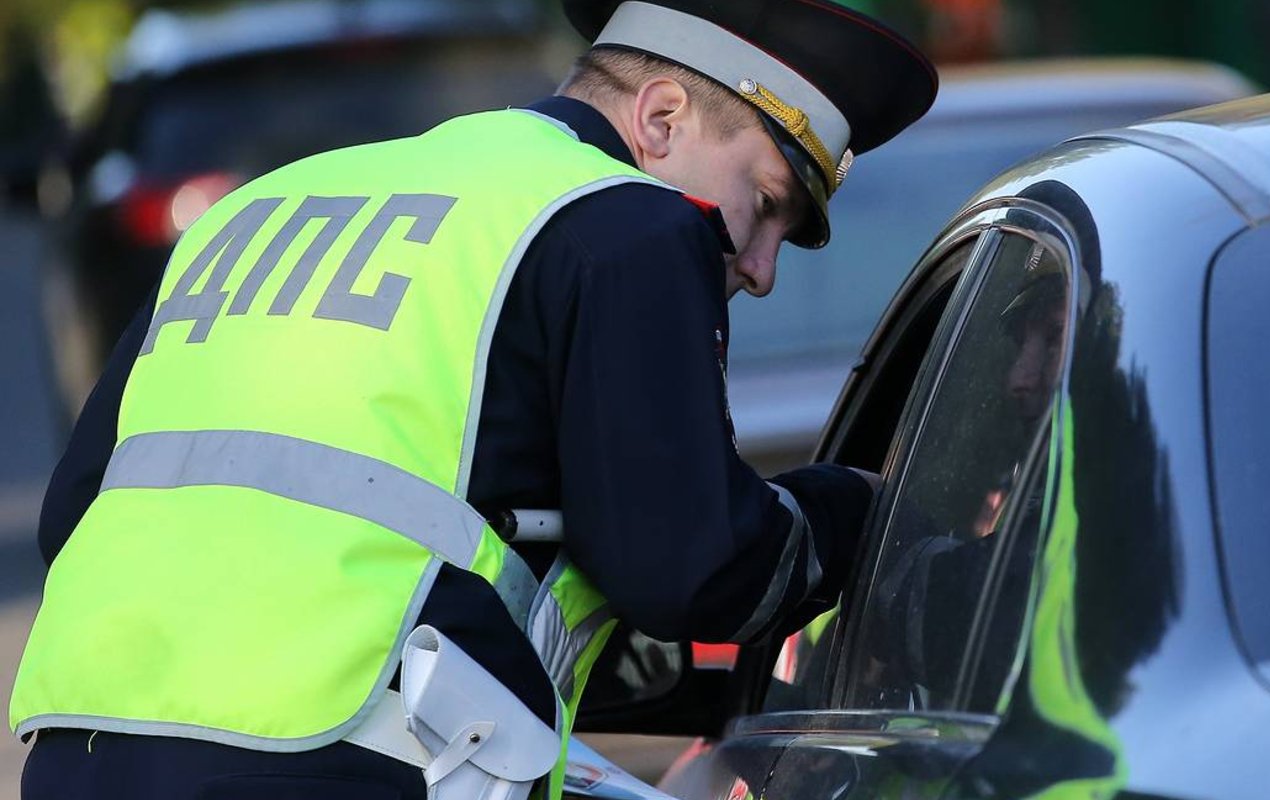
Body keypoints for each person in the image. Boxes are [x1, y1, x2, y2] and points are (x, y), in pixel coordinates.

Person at [9, 1, 938, 798]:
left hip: (81, 754)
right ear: (659, 119)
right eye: (766, 202)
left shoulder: (253, 210)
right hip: (335, 765)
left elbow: (77, 514)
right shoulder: (629, 223)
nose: (763, 267)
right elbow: (689, 564)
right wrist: (861, 509)